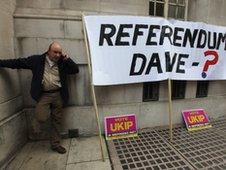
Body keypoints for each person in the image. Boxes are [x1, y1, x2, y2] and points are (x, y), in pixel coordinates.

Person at [0, 42, 79, 154]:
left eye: (59, 52)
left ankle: (55, 144)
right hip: (44, 95)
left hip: (58, 95)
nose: (57, 55)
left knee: (57, 120)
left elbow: (75, 70)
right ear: (48, 51)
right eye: (55, 52)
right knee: (41, 117)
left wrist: (68, 60)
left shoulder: (62, 62)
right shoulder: (37, 60)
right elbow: (17, 63)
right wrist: (1, 63)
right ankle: (38, 124)